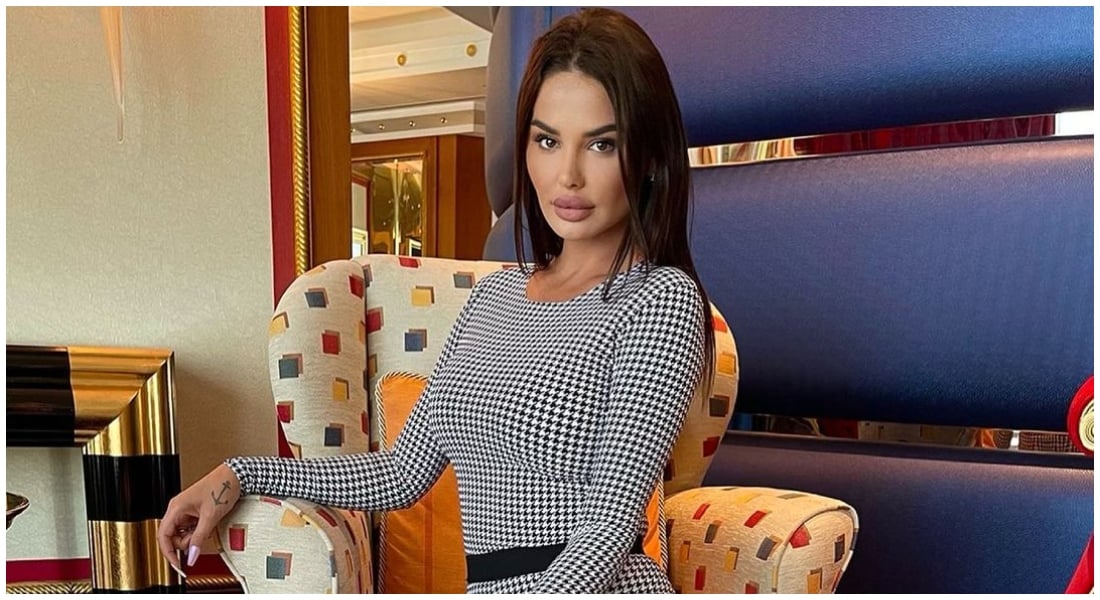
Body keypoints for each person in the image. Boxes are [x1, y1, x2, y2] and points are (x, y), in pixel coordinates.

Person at [158, 8, 716, 593]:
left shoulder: (659, 300)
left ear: (649, 158)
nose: (568, 175)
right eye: (548, 140)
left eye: (602, 144)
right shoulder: (494, 296)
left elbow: (608, 530)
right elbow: (400, 474)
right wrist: (237, 474)